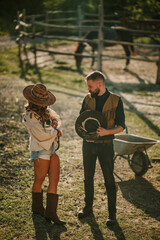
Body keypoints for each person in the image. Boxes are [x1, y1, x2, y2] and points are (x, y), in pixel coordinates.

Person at [77, 71, 125, 227]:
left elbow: (121, 126)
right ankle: (88, 208)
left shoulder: (116, 100)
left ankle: (112, 215)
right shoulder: (87, 99)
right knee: (88, 178)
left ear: (100, 84)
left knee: (109, 180)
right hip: (88, 145)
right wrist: (85, 136)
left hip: (106, 146)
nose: (89, 89)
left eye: (90, 86)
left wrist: (107, 132)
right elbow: (80, 121)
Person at [23, 83, 65, 225]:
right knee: (39, 180)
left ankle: (51, 213)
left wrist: (55, 123)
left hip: (52, 148)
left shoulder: (46, 111)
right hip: (40, 149)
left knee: (54, 179)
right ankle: (37, 208)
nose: (43, 104)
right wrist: (55, 132)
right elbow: (40, 135)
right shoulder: (30, 115)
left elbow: (56, 119)